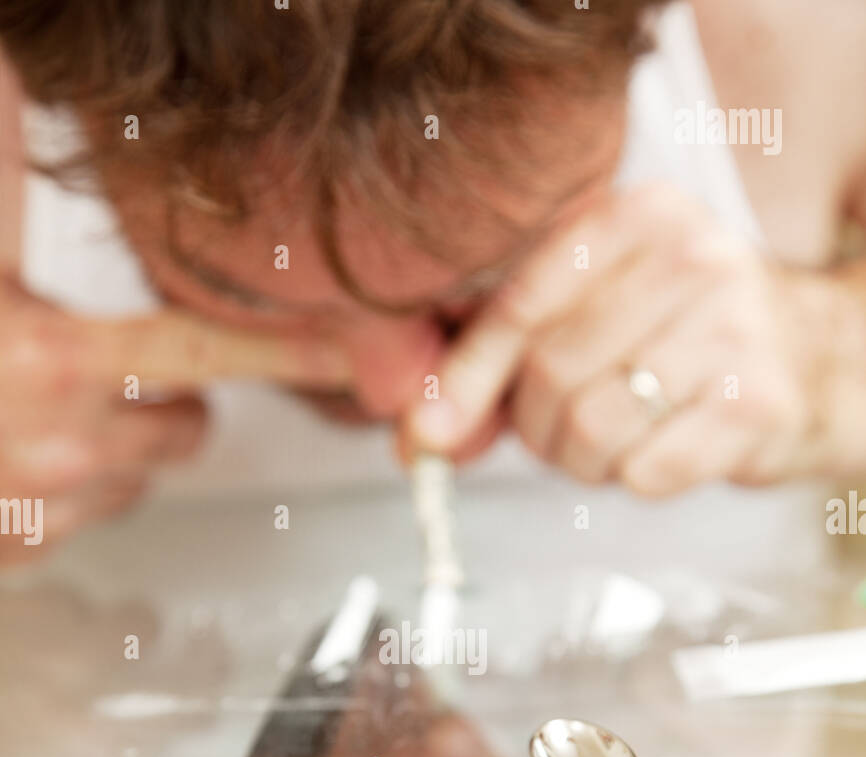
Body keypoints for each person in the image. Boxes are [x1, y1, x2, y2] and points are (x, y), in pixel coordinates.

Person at [1, 0, 865, 558]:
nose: (400, 402)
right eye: (246, 298)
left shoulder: (811, 34)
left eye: (483, 277)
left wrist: (829, 357)